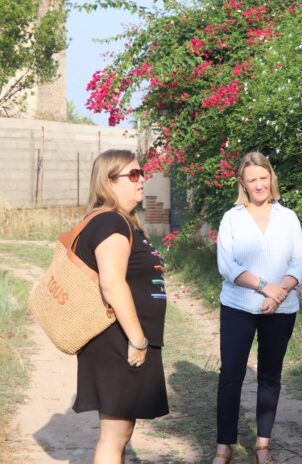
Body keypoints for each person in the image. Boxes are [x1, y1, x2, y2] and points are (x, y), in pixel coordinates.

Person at [73, 149, 168, 463]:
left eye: (142, 173)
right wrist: (138, 339)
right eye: (133, 174)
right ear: (109, 182)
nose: (142, 180)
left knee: (121, 433)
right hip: (119, 340)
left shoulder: (123, 222)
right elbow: (111, 284)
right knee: (114, 436)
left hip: (124, 338)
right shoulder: (110, 223)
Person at [213, 152, 302, 464]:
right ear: (242, 183)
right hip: (238, 306)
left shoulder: (288, 217)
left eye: (263, 177)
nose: (259, 185)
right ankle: (224, 446)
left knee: (270, 375)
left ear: (271, 178)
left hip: (281, 309)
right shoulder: (232, 218)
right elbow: (227, 266)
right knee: (231, 374)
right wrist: (266, 287)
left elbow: (298, 262)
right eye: (252, 179)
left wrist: (278, 294)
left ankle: (262, 445)